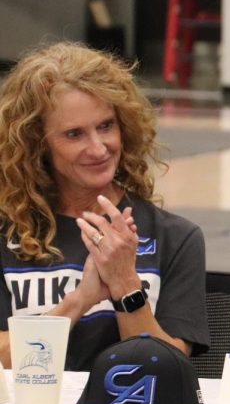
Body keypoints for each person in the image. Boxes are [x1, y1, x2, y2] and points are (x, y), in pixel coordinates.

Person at [0, 42, 209, 371]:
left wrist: (125, 284)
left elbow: (167, 369)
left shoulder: (176, 238)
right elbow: (3, 359)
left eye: (106, 126)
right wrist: (79, 301)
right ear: (37, 145)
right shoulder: (6, 236)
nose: (98, 148)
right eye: (74, 134)